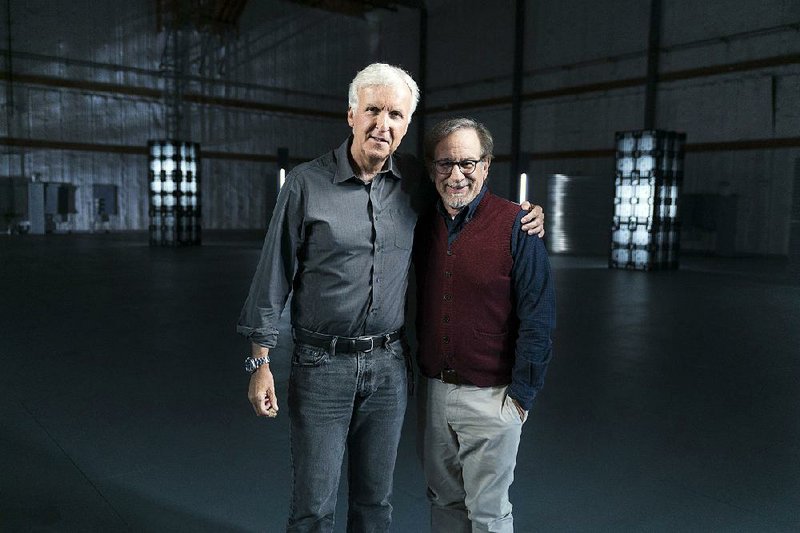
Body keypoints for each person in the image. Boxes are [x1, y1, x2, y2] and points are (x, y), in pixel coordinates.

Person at [237, 64, 544, 532]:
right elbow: (273, 273)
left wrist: (522, 215)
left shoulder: (416, 184)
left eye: (396, 114)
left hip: (389, 368)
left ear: (405, 127)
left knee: (375, 504)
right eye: (373, 110)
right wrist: (259, 362)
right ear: (351, 116)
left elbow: (464, 191)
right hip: (322, 368)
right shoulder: (305, 185)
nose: (384, 124)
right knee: (313, 507)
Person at [414, 117, 556, 533]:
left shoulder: (518, 225)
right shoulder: (422, 225)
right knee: (444, 501)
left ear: (487, 165)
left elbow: (539, 317)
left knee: (489, 512)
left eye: (468, 163)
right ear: (431, 169)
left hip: (493, 397)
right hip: (436, 392)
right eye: (445, 164)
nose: (456, 174)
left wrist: (522, 397)